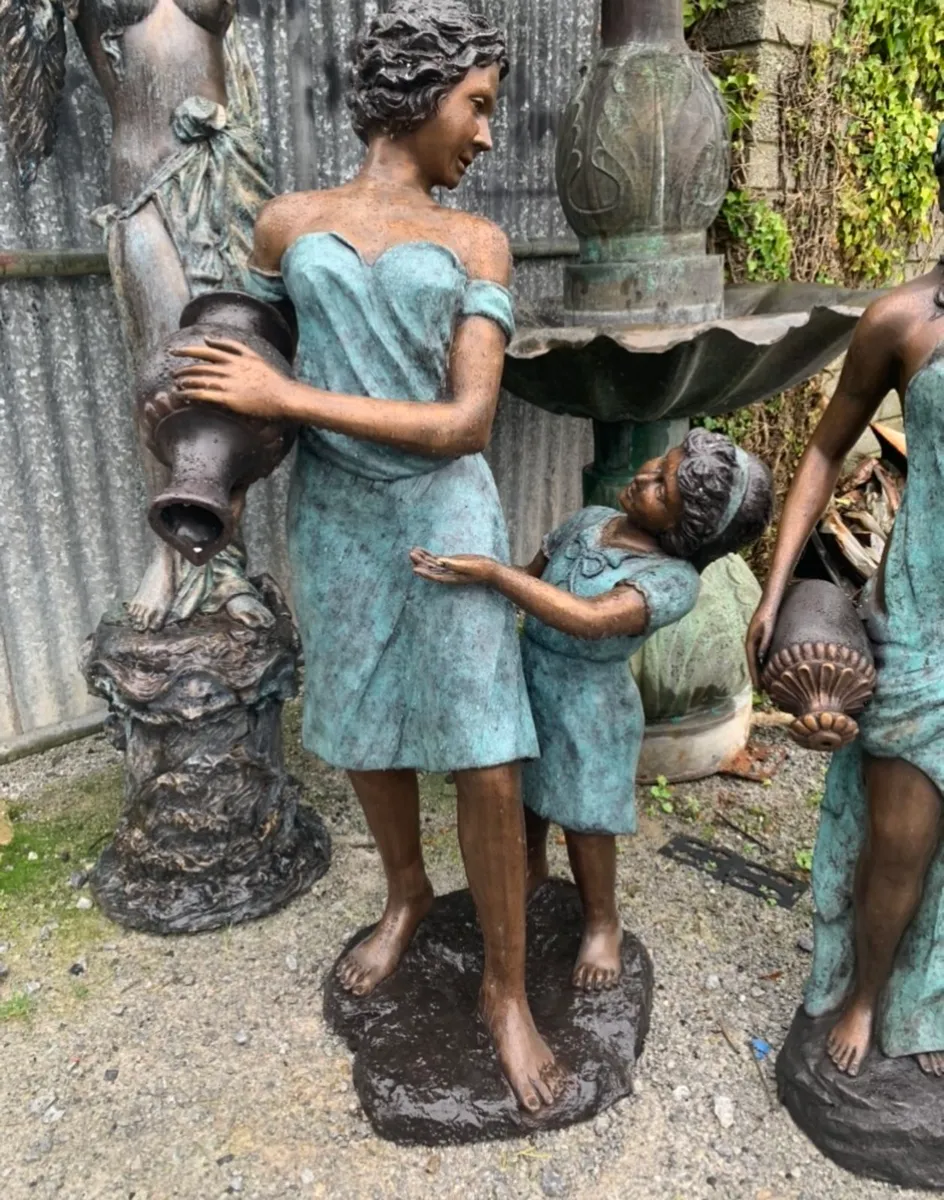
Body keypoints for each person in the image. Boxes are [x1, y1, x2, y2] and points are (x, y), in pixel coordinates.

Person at [170, 0, 567, 1113]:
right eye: (477, 105)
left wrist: (283, 395)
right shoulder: (285, 226)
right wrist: (212, 459)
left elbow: (466, 422)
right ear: (416, 92)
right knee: (361, 723)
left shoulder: (475, 241)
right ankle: (404, 895)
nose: (485, 136)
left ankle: (501, 989)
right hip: (335, 516)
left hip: (446, 514)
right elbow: (233, 366)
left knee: (485, 751)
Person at [413, 429, 772, 988]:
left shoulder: (672, 582)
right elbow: (534, 575)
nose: (645, 476)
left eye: (661, 490)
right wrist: (488, 587)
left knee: (585, 819)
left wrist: (493, 573)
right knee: (523, 793)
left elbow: (591, 618)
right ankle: (528, 871)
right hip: (529, 675)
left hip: (591, 705)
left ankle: (603, 920)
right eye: (660, 463)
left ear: (685, 529)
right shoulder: (590, 521)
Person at [745, 125, 944, 1080]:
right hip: (924, 627)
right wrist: (775, 588)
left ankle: (931, 997)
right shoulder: (904, 321)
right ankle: (867, 991)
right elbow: (824, 450)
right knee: (899, 839)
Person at [0, 0, 275, 629]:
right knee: (164, 377)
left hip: (227, 177)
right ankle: (166, 549)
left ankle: (223, 561)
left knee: (232, 374)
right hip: (147, 181)